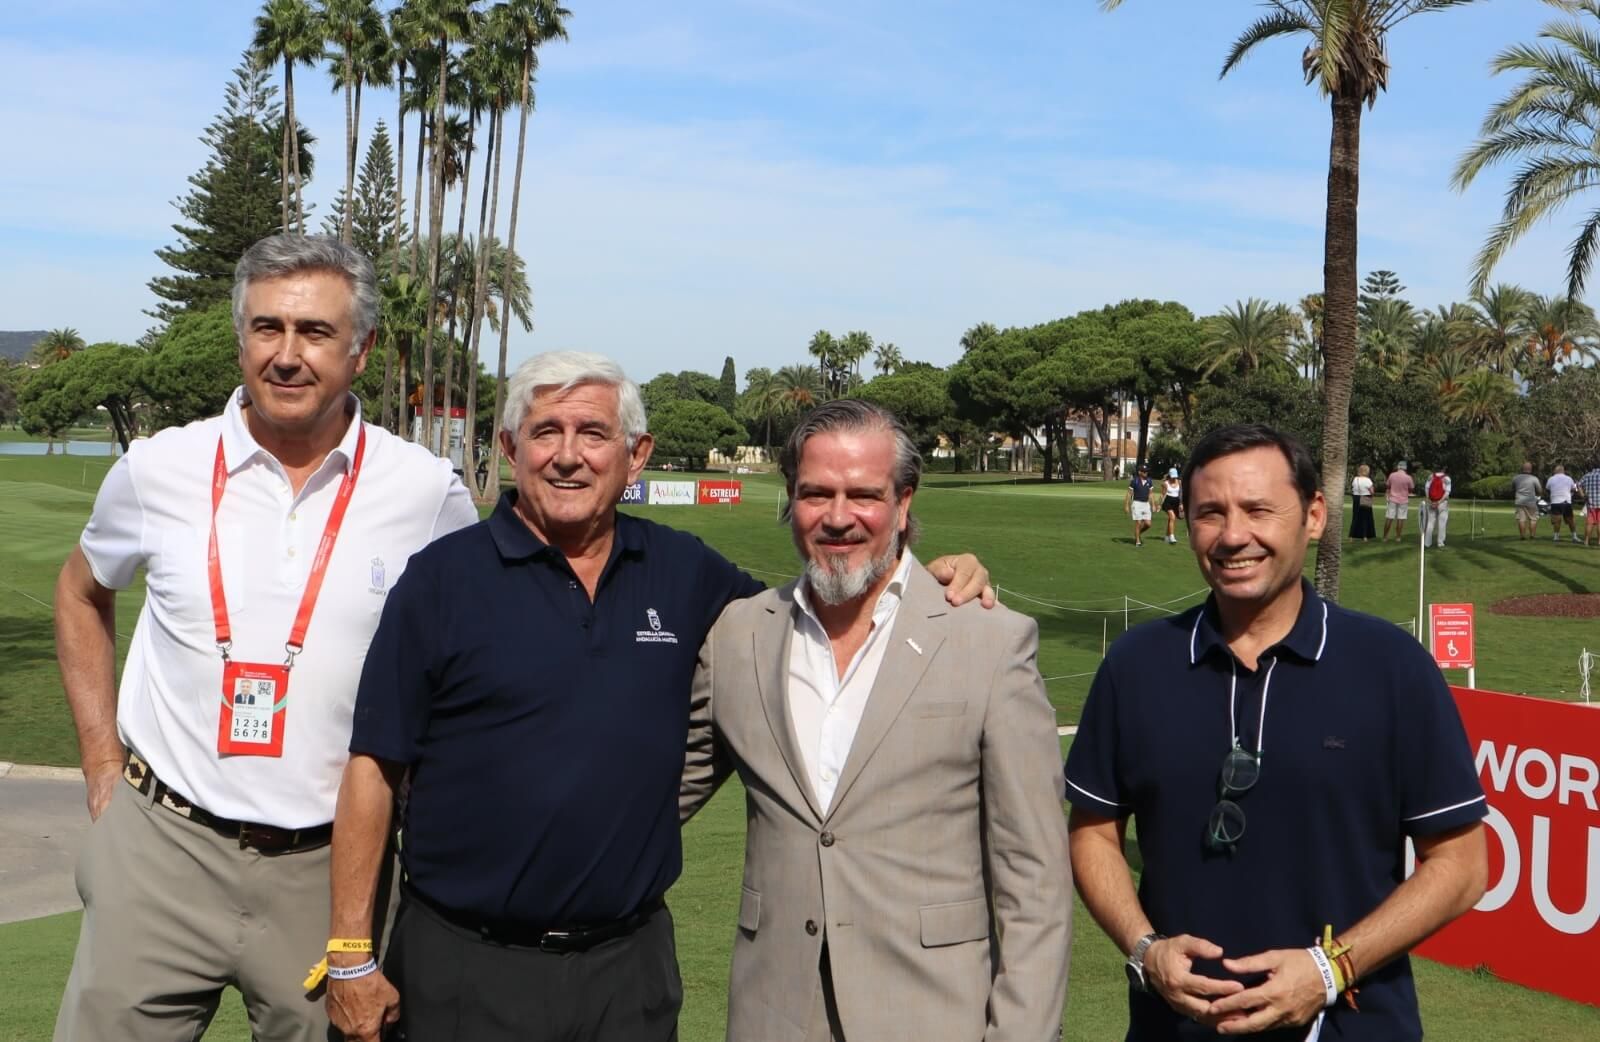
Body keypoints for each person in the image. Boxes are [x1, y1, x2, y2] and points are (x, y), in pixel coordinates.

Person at [326, 354, 991, 1042]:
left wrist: (930, 577)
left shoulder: (683, 571)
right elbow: (373, 767)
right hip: (466, 964)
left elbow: (817, 613)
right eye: (545, 431)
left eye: (593, 433)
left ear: (636, 455)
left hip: (629, 972)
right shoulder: (440, 580)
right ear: (510, 448)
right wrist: (349, 953)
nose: (567, 456)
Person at [51, 235, 480, 1042]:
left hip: (329, 870)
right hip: (161, 846)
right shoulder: (158, 468)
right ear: (240, 339)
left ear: (361, 350)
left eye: (315, 332)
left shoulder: (426, 493)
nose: (287, 355)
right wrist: (102, 762)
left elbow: (467, 659)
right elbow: (80, 592)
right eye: (266, 328)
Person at [1065, 423, 1487, 1042]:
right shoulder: (1137, 664)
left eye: (1258, 510)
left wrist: (1330, 969)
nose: (1233, 536)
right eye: (1210, 513)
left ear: (1313, 516)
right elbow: (1094, 832)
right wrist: (1145, 948)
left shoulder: (1392, 667)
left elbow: (1462, 865)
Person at [681, 399, 1071, 1042]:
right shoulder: (738, 636)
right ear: (790, 498)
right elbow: (655, 797)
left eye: (863, 494)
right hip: (773, 1017)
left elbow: (1035, 881)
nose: (838, 518)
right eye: (816, 493)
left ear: (904, 502)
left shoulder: (988, 641)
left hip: (933, 1018)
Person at [1420, 464, 1451, 548]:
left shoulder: (1430, 477)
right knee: (1442, 523)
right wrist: (1439, 502)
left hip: (1431, 501)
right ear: (1443, 469)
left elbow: (1426, 489)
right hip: (1442, 503)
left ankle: (1427, 543)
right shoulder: (1447, 478)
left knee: (1430, 522)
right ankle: (1440, 542)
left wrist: (1429, 500)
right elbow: (1447, 492)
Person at [1381, 460, 1413, 542]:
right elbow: (1411, 488)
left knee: (1389, 517)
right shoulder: (1408, 477)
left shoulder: (1392, 475)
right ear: (1405, 468)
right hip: (1403, 500)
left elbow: (1388, 485)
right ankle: (1398, 537)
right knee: (1401, 518)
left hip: (1392, 499)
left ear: (1398, 467)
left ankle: (1385, 537)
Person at [1511, 462, 1543, 540]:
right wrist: (1538, 495)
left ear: (1522, 469)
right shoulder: (1534, 478)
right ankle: (1532, 535)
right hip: (1531, 501)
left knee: (1521, 519)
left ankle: (1522, 536)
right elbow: (1540, 490)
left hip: (1519, 500)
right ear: (1530, 469)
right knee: (1533, 518)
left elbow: (1513, 488)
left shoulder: (1516, 478)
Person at [1547, 464, 1578, 543]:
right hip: (1566, 501)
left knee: (1557, 520)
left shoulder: (1551, 478)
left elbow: (1548, 488)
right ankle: (1574, 536)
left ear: (1556, 471)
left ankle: (1556, 537)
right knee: (1570, 520)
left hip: (1555, 501)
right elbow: (1574, 489)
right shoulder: (1569, 478)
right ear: (1563, 471)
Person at [1126, 463, 1156, 547]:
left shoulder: (1149, 481)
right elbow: (1129, 493)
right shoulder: (1134, 481)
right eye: (1144, 471)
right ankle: (1137, 541)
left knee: (1148, 524)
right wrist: (1126, 505)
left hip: (1146, 504)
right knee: (1138, 522)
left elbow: (1151, 494)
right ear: (1140, 472)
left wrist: (1153, 505)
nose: (1146, 473)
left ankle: (1138, 533)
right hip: (1137, 503)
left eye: (1146, 471)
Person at [1348, 464, 1376, 542]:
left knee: (1355, 517)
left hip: (1356, 498)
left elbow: (1353, 488)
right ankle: (1364, 536)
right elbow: (1372, 491)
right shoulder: (1368, 480)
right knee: (1365, 517)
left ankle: (1351, 536)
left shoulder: (1355, 479)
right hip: (1366, 497)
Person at [1161, 466, 1185, 544]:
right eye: (1173, 476)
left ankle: (1166, 537)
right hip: (1167, 502)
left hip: (1176, 502)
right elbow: (1163, 495)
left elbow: (1181, 493)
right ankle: (1172, 537)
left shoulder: (1179, 482)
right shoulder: (1165, 483)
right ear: (1170, 475)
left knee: (1171, 519)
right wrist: (1159, 505)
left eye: (1175, 476)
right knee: (1172, 517)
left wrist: (1181, 503)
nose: (1174, 478)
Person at [1578, 461, 1600, 547]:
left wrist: (1582, 495)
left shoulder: (1587, 475)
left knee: (1589, 523)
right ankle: (1599, 541)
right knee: (1599, 523)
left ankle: (1586, 541)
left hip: (1590, 503)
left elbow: (1578, 485)